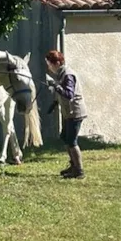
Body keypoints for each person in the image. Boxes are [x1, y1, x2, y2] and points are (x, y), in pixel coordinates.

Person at [44, 49, 87, 178]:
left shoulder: (68, 74)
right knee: (65, 138)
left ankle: (79, 171)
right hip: (68, 112)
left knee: (72, 141)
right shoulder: (61, 74)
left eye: (49, 64)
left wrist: (55, 85)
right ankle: (73, 165)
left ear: (57, 63)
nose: (49, 67)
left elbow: (69, 94)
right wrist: (54, 104)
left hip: (75, 112)